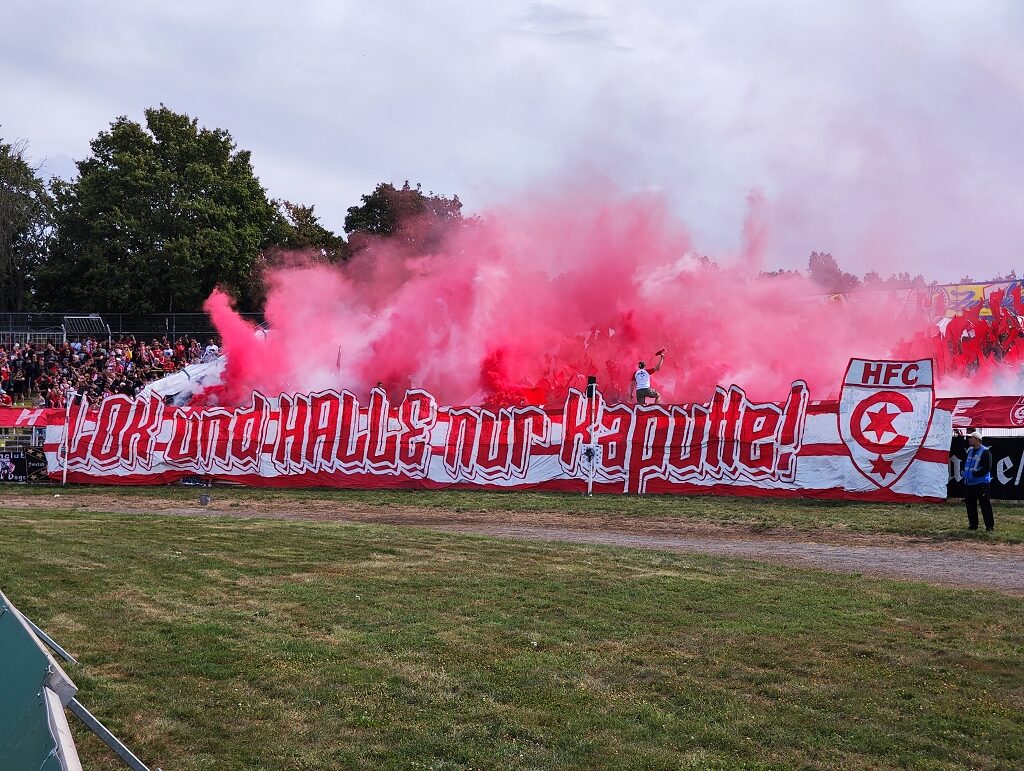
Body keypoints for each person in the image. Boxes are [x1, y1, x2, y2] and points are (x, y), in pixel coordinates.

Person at [963, 429, 994, 532]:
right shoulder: (970, 451)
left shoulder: (985, 451)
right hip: (969, 483)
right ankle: (973, 525)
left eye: (971, 438)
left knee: (985, 506)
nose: (969, 439)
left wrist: (974, 474)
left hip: (981, 484)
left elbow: (987, 468)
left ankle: (989, 526)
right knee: (970, 506)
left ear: (977, 439)